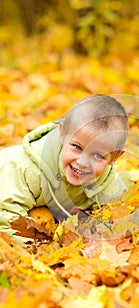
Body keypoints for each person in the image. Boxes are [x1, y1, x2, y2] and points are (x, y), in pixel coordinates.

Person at [0, 94, 129, 245]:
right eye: (77, 147)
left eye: (97, 155)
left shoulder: (106, 181)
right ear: (62, 134)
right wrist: (38, 248)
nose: (82, 162)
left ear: (114, 157)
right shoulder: (27, 169)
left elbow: (118, 211)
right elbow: (6, 214)